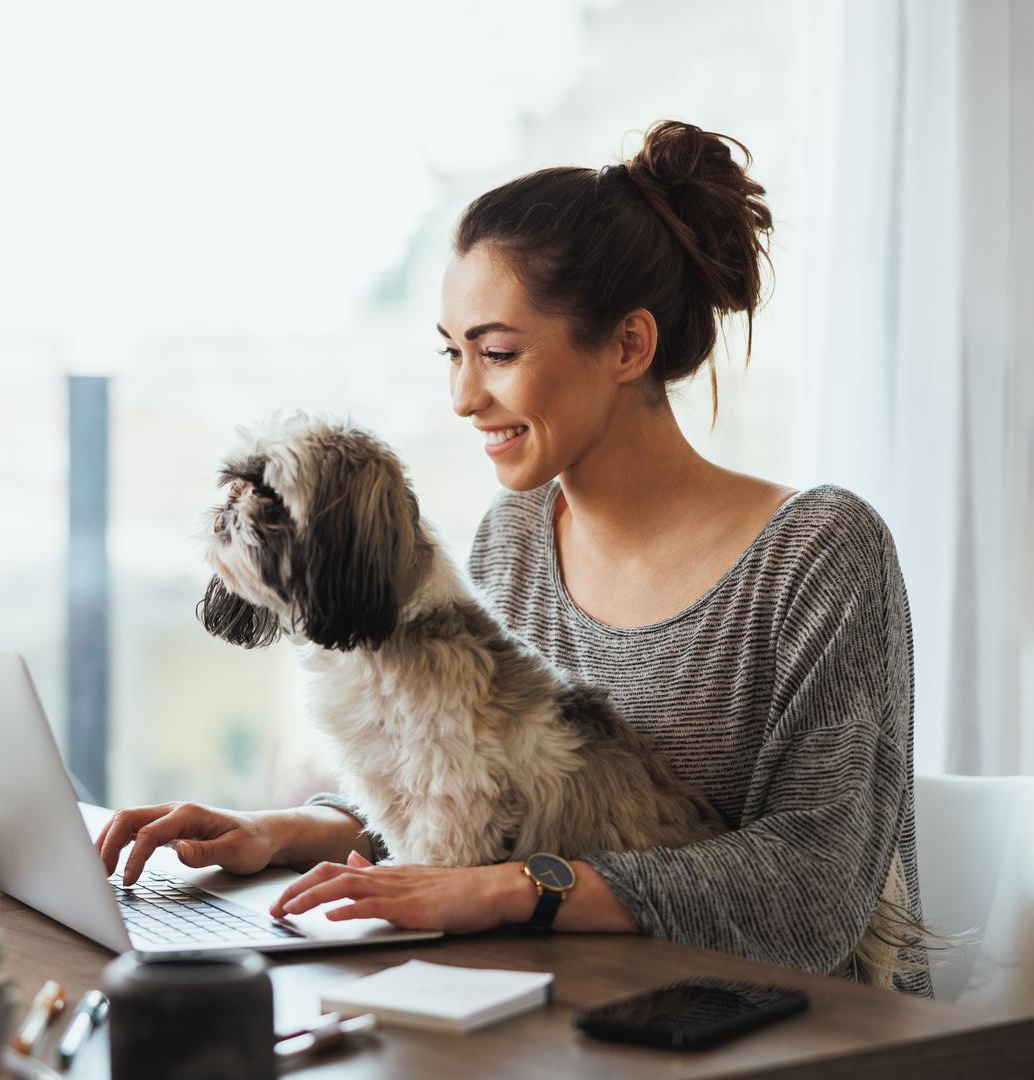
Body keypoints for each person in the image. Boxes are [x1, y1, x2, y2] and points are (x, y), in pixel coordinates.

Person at [94, 120, 932, 995]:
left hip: (801, 1023)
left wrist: (503, 891)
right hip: (582, 993)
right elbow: (485, 811)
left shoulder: (819, 555)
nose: (462, 396)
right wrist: (284, 831)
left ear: (627, 346)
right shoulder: (518, 533)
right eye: (451, 353)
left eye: (496, 352)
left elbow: (814, 890)